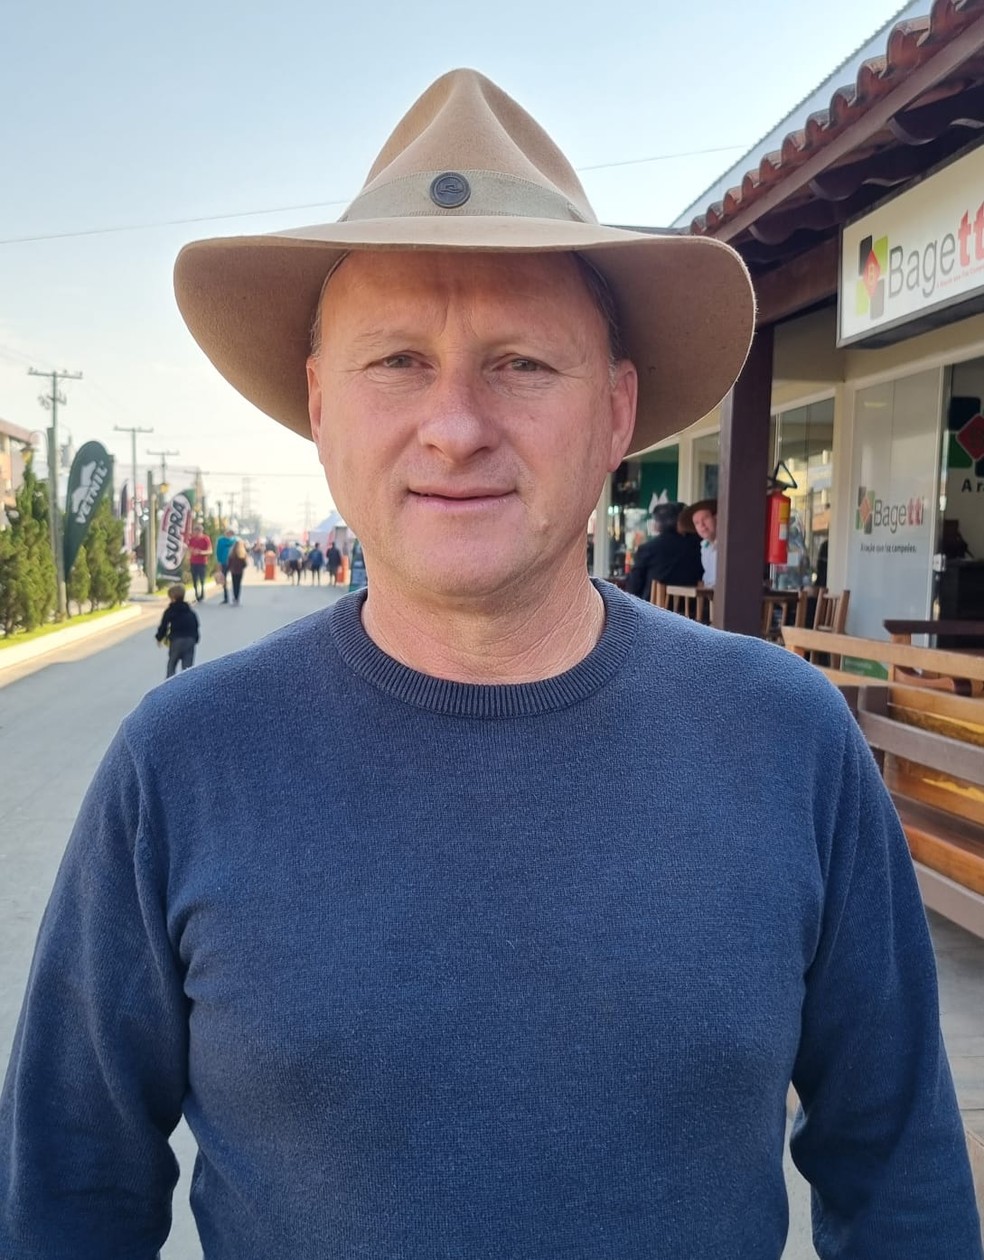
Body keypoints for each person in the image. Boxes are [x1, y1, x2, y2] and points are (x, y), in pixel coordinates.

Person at [1, 69, 980, 1260]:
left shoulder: (789, 740)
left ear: (617, 414)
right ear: (320, 407)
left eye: (520, 363)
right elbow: (62, 1195)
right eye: (397, 360)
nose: (456, 424)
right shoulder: (181, 761)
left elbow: (902, 1182)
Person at [623, 500, 703, 599]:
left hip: (654, 609)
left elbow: (634, 586)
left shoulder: (648, 548)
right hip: (692, 607)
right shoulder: (699, 545)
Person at [153, 582, 200, 678]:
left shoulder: (170, 611)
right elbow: (195, 625)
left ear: (172, 598)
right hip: (190, 640)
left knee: (172, 665)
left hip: (176, 641)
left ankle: (170, 686)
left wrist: (159, 638)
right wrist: (195, 638)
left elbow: (164, 626)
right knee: (188, 667)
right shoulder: (190, 611)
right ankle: (188, 686)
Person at [678, 497, 718, 587]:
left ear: (716, 518)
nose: (702, 525)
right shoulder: (704, 547)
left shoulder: (729, 544)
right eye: (696, 523)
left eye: (705, 518)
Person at [186, 521, 213, 601]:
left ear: (201, 531)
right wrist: (191, 552)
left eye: (198, 531)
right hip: (193, 561)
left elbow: (210, 551)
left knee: (201, 578)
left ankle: (202, 593)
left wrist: (201, 552)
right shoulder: (192, 539)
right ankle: (196, 593)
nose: (197, 533)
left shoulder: (205, 539)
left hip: (202, 562)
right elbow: (189, 548)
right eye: (195, 531)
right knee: (194, 578)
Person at [214, 527, 237, 603]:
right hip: (224, 562)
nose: (229, 534)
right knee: (223, 579)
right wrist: (218, 562)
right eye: (228, 532)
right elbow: (218, 552)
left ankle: (235, 596)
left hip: (234, 563)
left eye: (231, 533)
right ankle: (226, 597)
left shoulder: (235, 541)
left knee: (235, 580)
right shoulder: (221, 541)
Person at [226, 537, 249, 604]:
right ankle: (237, 598)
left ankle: (234, 596)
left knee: (234, 584)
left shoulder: (232, 554)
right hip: (240, 571)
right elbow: (245, 564)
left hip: (233, 571)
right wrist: (242, 567)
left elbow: (229, 563)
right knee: (238, 584)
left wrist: (229, 569)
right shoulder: (243, 554)